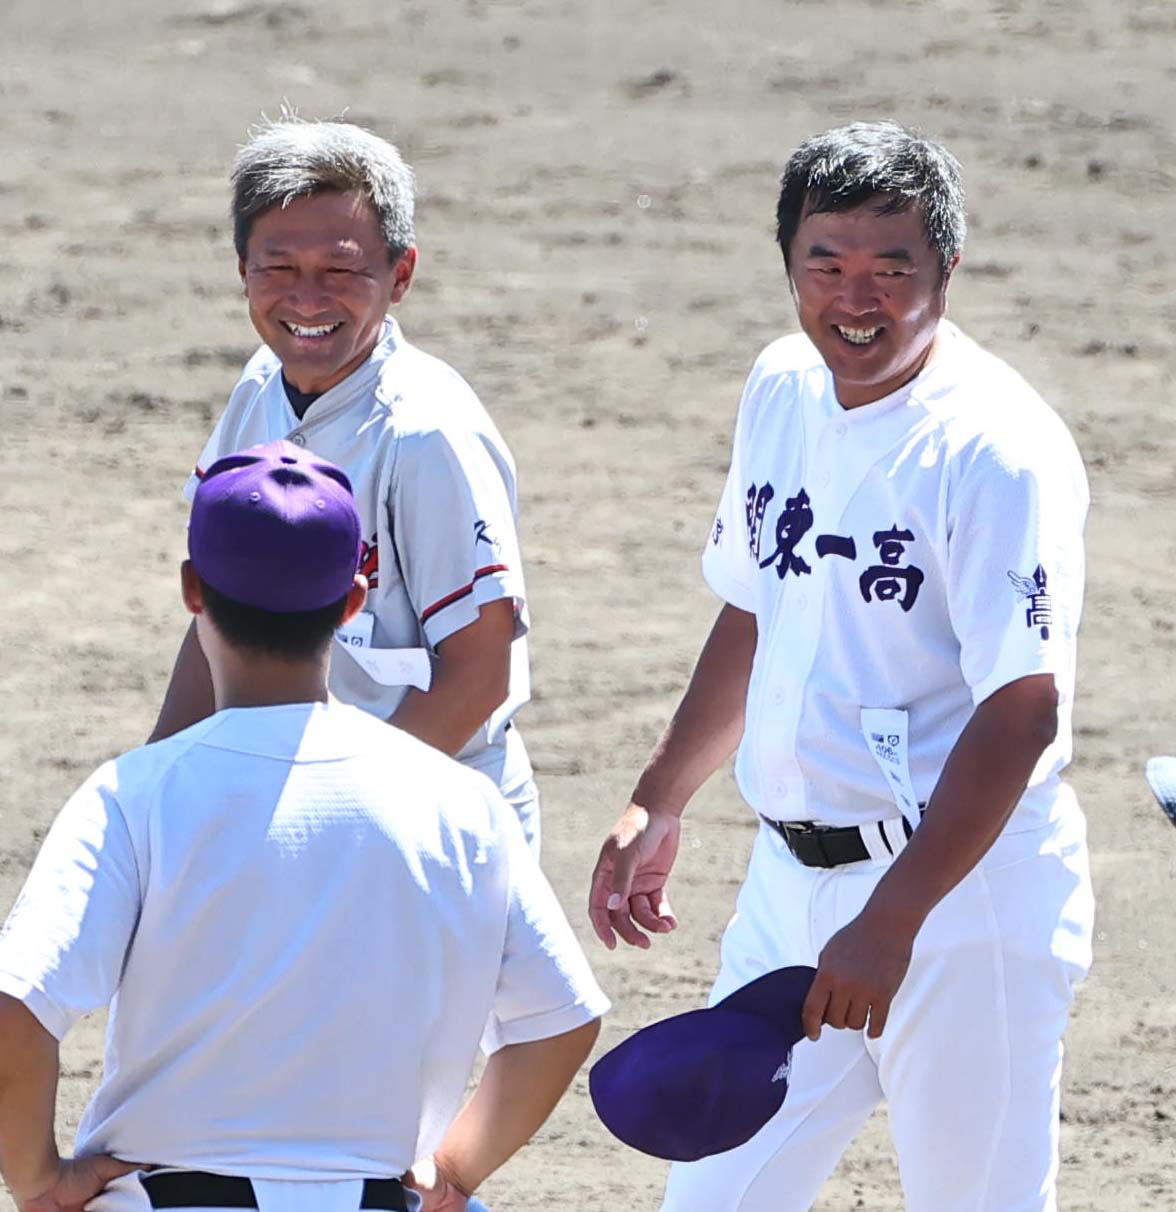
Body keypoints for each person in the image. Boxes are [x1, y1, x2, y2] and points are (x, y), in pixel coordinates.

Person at [588, 121, 1094, 1212]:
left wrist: (896, 917)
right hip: (791, 890)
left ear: (946, 271)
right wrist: (659, 797)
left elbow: (1024, 709)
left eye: (891, 269)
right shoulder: (781, 386)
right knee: (715, 1203)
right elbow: (756, 605)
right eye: (827, 264)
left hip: (963, 901)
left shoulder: (995, 450)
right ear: (790, 265)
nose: (855, 299)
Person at [0, 441, 607, 1212]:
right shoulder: (463, 804)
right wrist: (454, 1168)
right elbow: (562, 1020)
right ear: (354, 601)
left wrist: (41, 1182)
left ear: (194, 590)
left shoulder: (135, 794)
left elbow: (14, 1010)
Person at [150, 114, 542, 851]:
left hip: (433, 808)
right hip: (301, 800)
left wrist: (337, 819)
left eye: (340, 270)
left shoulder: (427, 436)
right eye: (278, 267)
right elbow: (215, 621)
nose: (306, 300)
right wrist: (153, 785)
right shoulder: (261, 388)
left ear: (400, 274)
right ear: (242, 270)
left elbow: (479, 675)